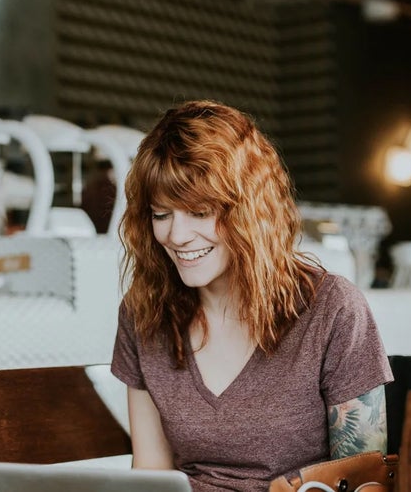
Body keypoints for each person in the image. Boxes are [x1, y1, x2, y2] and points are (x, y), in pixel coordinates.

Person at [110, 100, 393, 492]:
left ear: (249, 209)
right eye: (161, 214)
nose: (176, 236)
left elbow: (364, 484)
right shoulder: (143, 313)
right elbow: (152, 476)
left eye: (200, 212)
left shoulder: (333, 310)